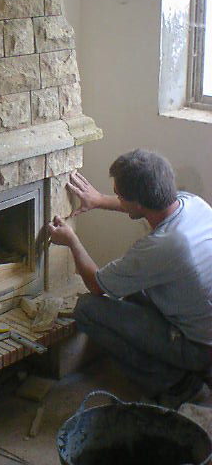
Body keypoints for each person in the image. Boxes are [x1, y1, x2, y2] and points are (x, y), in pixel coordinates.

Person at [47, 148, 212, 408]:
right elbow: (141, 206)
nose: (116, 198)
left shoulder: (161, 246)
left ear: (138, 204)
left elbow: (96, 285)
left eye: (119, 195)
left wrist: (71, 240)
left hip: (197, 348)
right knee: (132, 290)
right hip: (203, 325)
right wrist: (98, 200)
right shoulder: (192, 204)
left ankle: (178, 386)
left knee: (88, 309)